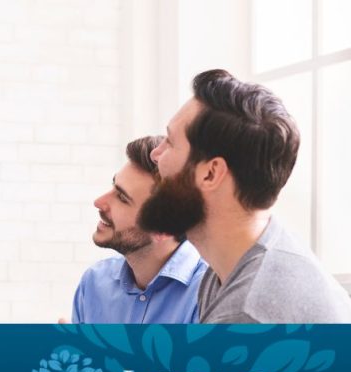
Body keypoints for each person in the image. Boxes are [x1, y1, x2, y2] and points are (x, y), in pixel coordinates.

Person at [140, 69, 351, 323]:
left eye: (170, 142)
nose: (155, 154)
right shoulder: (243, 262)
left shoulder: (247, 313)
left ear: (211, 173)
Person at [72, 136, 207, 324]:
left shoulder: (209, 293)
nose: (99, 202)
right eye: (113, 185)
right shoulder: (94, 283)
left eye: (122, 197)